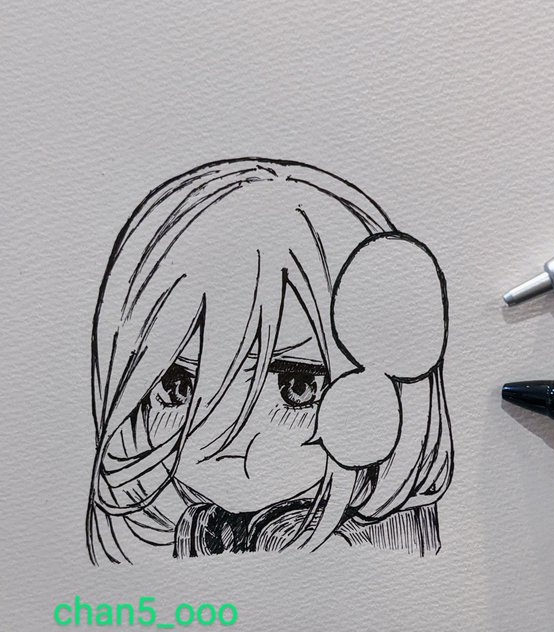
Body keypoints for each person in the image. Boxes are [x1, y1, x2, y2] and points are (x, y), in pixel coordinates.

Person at [87, 158, 453, 564]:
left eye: (297, 387)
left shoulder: (374, 548)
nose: (224, 435)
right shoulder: (203, 531)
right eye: (179, 387)